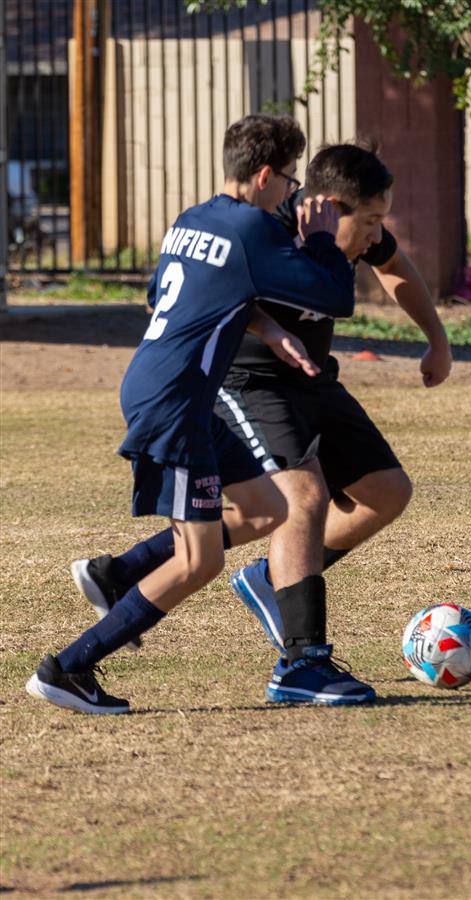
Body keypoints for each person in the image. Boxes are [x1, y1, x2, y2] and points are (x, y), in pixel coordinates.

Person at [65, 142, 451, 707]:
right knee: (303, 499)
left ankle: (261, 578)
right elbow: (208, 290)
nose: (375, 235)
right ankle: (303, 662)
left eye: (380, 221)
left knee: (386, 492)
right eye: (368, 221)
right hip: (248, 382)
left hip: (313, 378)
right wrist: (269, 328)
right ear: (327, 207)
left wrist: (436, 340)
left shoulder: (362, 234)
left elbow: (393, 264)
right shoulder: (264, 227)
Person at [25, 114, 359, 715]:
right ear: (263, 176)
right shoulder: (257, 228)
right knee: (199, 560)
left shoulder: (194, 218)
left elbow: (169, 294)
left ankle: (120, 576)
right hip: (177, 399)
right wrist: (325, 238)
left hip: (171, 388)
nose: (293, 192)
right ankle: (68, 668)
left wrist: (267, 326)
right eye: (288, 179)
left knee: (267, 509)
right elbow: (336, 296)